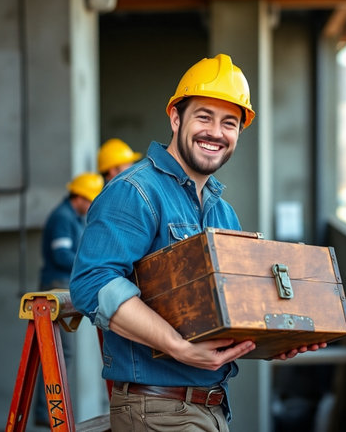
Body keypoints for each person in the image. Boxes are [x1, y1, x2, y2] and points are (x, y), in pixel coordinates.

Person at [70, 54, 326, 431]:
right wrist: (178, 347)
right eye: (204, 117)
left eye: (229, 123)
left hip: (212, 407)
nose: (216, 132)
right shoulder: (135, 192)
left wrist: (274, 337)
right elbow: (93, 284)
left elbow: (228, 312)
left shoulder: (224, 213)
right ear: (176, 117)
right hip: (157, 409)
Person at [34, 172, 104, 427]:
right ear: (81, 197)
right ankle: (47, 412)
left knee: (62, 351)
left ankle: (48, 410)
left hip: (65, 286)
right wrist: (90, 265)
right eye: (91, 201)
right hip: (56, 287)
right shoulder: (63, 218)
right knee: (60, 351)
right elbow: (62, 255)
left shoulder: (73, 217)